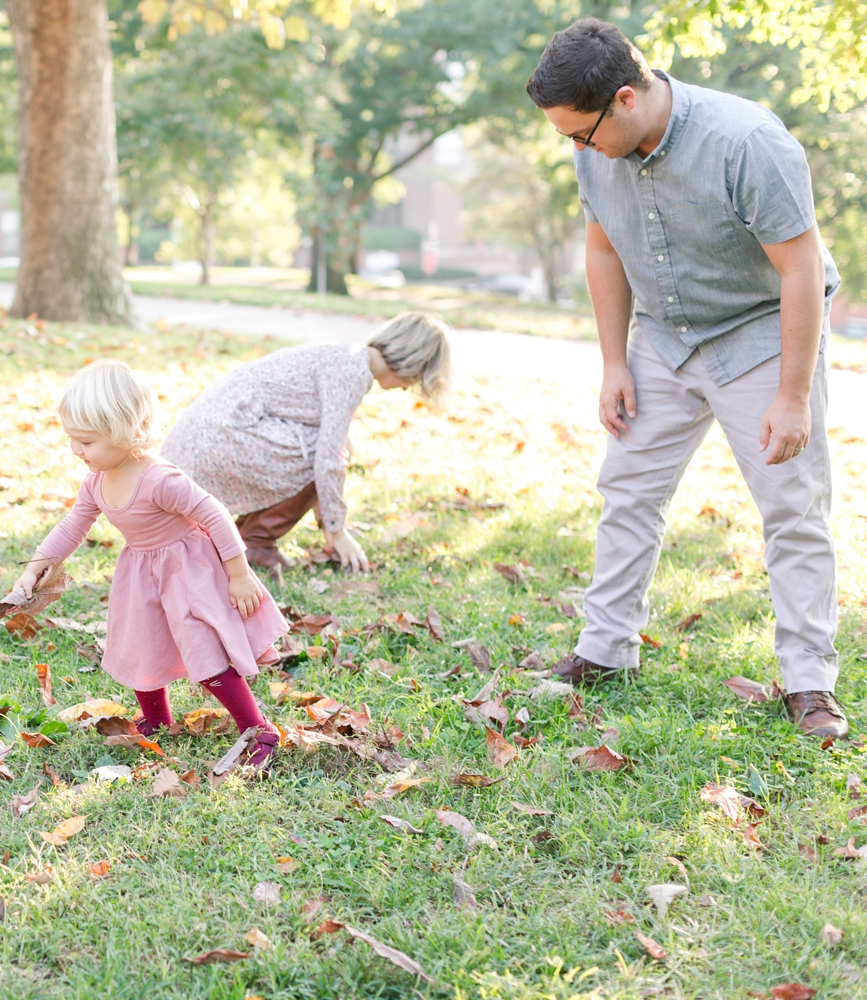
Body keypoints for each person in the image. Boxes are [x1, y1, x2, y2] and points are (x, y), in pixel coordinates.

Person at [526, 19, 846, 737]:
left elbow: (800, 269)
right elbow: (604, 250)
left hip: (761, 333)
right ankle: (605, 651)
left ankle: (808, 682)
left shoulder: (746, 141)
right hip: (663, 339)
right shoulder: (593, 149)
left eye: (581, 134)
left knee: (793, 507)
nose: (576, 149)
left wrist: (792, 396)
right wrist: (614, 360)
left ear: (625, 100)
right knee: (626, 491)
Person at [10, 360, 290, 770]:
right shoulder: (97, 481)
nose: (75, 450)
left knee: (205, 652)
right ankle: (158, 718)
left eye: (85, 441)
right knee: (142, 647)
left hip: (188, 572)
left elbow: (214, 515)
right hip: (142, 576)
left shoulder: (160, 479)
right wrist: (36, 565)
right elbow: (73, 525)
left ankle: (257, 728)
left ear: (123, 431)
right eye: (71, 439)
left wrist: (239, 575)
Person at [161, 311, 451, 573]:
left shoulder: (345, 357)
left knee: (334, 444)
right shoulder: (352, 371)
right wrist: (337, 531)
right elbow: (328, 458)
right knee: (329, 450)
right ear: (414, 364)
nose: (408, 388)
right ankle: (256, 541)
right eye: (417, 379)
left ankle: (245, 537)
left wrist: (328, 520)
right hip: (219, 436)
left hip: (207, 435)